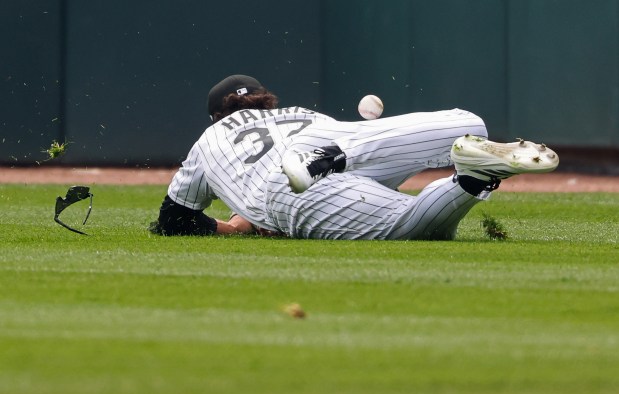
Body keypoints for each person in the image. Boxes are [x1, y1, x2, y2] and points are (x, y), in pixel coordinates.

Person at [150, 74, 559, 240]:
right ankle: (475, 171)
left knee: (414, 227)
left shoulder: (208, 141)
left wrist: (236, 227)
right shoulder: (298, 112)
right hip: (343, 140)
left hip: (287, 189)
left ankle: (469, 182)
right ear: (263, 98)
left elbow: (174, 220)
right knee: (470, 125)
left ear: (216, 115)